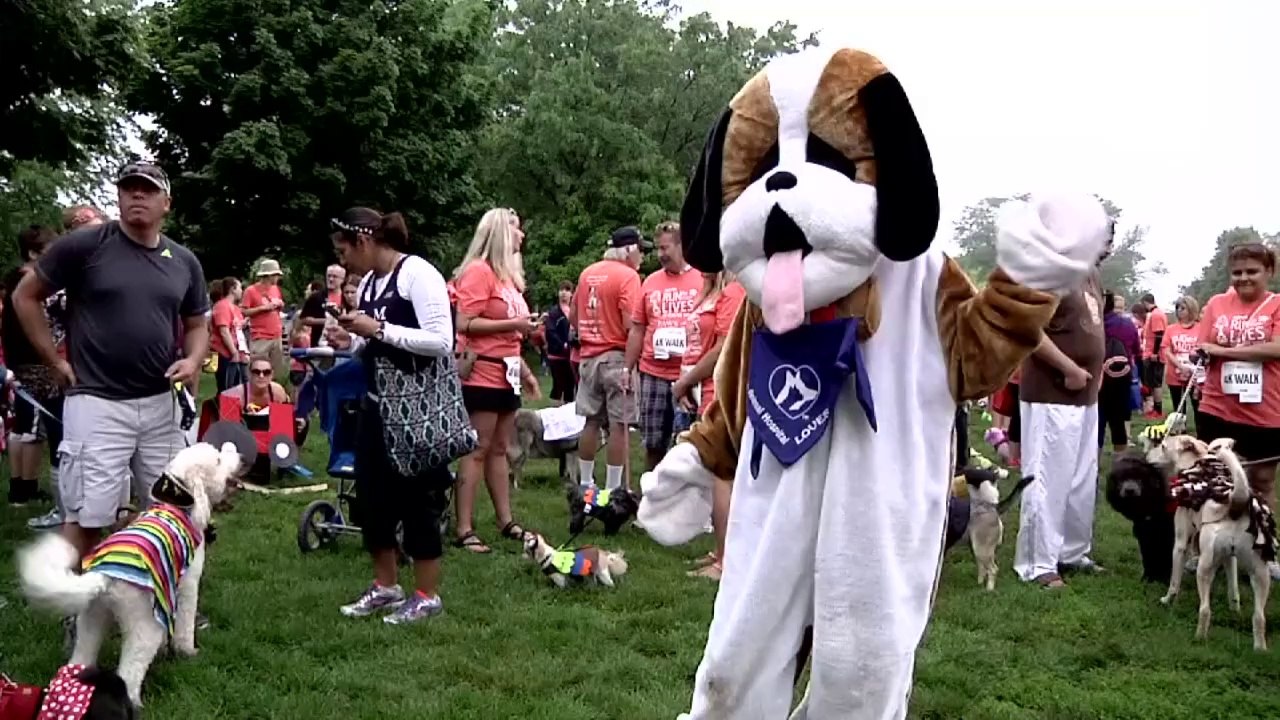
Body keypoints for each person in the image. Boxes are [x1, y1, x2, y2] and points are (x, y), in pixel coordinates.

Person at [11, 162, 208, 560]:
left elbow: (197, 324)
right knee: (87, 516)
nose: (137, 195)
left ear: (166, 203)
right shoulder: (85, 245)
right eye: (129, 188)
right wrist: (53, 360)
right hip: (97, 402)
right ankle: (72, 596)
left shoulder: (183, 260)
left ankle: (164, 593)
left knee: (172, 512)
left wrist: (193, 360)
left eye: (148, 189)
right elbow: (24, 296)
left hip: (162, 403)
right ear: (118, 197)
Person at [326, 207, 456, 624]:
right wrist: (351, 340)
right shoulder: (369, 283)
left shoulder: (418, 274)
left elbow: (441, 340)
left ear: (364, 241)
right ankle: (386, 586)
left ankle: (426, 594)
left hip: (416, 410)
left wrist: (379, 330)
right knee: (371, 499)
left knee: (417, 500)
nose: (343, 260)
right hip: (376, 405)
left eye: (344, 250)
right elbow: (372, 345)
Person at [1013, 228, 1109, 589]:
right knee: (1046, 478)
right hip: (1050, 392)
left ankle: (1072, 552)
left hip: (1086, 395)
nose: (1106, 247)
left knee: (1081, 478)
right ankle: (1037, 562)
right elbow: (1027, 328)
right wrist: (1068, 368)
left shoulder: (1091, 274)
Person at [451, 208, 539, 554]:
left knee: (501, 448)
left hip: (508, 371)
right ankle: (464, 527)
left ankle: (505, 519)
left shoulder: (508, 278)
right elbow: (464, 323)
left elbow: (511, 332)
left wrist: (526, 367)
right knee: (477, 448)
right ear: (501, 232)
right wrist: (514, 325)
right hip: (483, 371)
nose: (521, 235)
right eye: (516, 228)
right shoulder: (479, 271)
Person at [1194, 242, 1280, 580]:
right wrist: (1209, 353)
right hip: (1217, 405)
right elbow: (1204, 346)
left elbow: (1276, 348)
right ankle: (1208, 550)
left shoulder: (1277, 305)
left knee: (1261, 481)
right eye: (1237, 272)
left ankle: (1263, 550)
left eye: (1252, 271)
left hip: (1265, 410)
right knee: (1213, 480)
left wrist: (1224, 350)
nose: (1243, 278)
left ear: (1268, 271)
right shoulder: (1216, 304)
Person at [671, 270, 745, 581]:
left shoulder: (734, 292)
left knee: (721, 473)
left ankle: (727, 560)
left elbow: (724, 347)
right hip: (716, 389)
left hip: (723, 391)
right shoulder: (728, 290)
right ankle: (722, 551)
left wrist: (686, 381)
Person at [624, 222, 703, 470]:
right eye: (658, 248)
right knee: (653, 442)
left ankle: (685, 490)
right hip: (653, 373)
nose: (660, 254)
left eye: (664, 248)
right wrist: (627, 369)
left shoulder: (702, 278)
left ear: (681, 246)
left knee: (688, 445)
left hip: (689, 374)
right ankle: (651, 486)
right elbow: (637, 328)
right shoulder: (650, 282)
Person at [572, 227, 645, 492]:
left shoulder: (587, 273)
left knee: (590, 422)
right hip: (617, 357)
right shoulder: (628, 276)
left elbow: (573, 316)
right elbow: (630, 324)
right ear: (628, 250)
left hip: (588, 357)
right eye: (640, 250)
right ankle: (613, 490)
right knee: (619, 425)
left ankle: (586, 484)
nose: (642, 256)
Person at [3, 226, 59, 509]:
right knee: (34, 428)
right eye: (49, 251)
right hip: (33, 359)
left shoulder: (13, 279)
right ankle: (27, 488)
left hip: (18, 359)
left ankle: (18, 486)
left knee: (22, 424)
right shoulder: (31, 282)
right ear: (33, 253)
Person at [1100, 291, 1141, 454]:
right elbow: (1137, 349)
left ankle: (1094, 462)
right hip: (1123, 376)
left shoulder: (1094, 324)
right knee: (1118, 421)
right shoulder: (1128, 324)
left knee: (1097, 421)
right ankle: (1120, 462)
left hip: (1099, 377)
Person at [242, 259, 286, 379]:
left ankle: (273, 389)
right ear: (268, 275)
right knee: (258, 370)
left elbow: (277, 309)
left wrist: (280, 305)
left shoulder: (275, 289)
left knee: (276, 371)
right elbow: (244, 311)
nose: (278, 278)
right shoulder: (251, 291)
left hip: (276, 335)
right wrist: (263, 308)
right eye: (276, 275)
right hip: (260, 336)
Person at [1161, 295, 1202, 422]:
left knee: (1198, 408)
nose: (1179, 311)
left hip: (1196, 375)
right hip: (1175, 373)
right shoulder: (1171, 329)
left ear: (1191, 309)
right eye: (1177, 308)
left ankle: (1200, 432)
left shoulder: (1201, 328)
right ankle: (1180, 430)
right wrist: (1179, 366)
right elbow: (1166, 349)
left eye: (1183, 308)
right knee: (1178, 408)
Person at [209, 277, 248, 393]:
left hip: (236, 354)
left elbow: (236, 329)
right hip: (224, 354)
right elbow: (224, 331)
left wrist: (243, 353)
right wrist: (234, 352)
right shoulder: (222, 306)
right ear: (232, 289)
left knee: (238, 387)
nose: (242, 291)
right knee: (227, 388)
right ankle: (223, 405)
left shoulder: (235, 308)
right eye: (239, 287)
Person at [544, 280, 575, 406]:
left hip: (571, 355)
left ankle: (568, 410)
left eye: (567, 290)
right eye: (561, 290)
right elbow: (550, 332)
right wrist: (563, 344)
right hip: (556, 355)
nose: (564, 293)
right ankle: (554, 411)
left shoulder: (574, 311)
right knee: (558, 384)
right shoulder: (553, 312)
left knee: (570, 384)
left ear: (572, 294)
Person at [298, 264, 346, 346]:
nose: (331, 279)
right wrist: (326, 321)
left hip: (343, 344)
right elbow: (303, 319)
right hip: (319, 342)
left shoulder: (347, 297)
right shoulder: (316, 297)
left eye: (335, 277)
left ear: (342, 279)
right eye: (329, 276)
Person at [1141, 293, 1168, 418]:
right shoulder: (1155, 314)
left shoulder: (1156, 315)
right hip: (1151, 353)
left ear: (1145, 303)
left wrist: (1154, 353)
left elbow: (1159, 335)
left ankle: (1157, 410)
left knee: (1156, 383)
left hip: (1154, 355)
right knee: (1151, 382)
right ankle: (1153, 408)